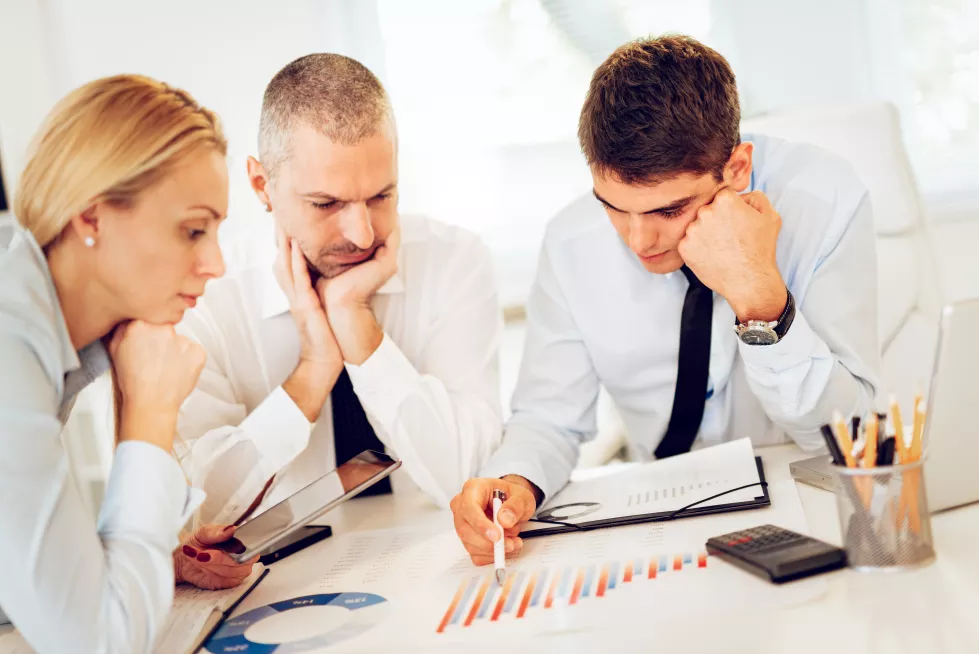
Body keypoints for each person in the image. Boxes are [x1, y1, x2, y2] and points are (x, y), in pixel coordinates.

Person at [450, 35, 881, 565]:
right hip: (658, 521)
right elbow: (549, 417)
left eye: (669, 211)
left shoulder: (825, 201)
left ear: (737, 169)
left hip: (809, 506)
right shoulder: (570, 242)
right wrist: (513, 482)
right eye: (613, 207)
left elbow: (850, 438)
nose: (639, 241)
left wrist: (758, 296)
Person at [175, 53, 503, 525]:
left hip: (439, 550)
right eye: (326, 204)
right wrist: (313, 371)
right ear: (262, 185)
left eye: (381, 196)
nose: (363, 235)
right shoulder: (204, 297)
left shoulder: (454, 261)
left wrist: (357, 328)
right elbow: (195, 514)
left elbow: (474, 482)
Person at [0, 75, 255, 653]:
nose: (215, 263)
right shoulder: (9, 349)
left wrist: (141, 561)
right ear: (92, 218)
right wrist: (150, 413)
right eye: (193, 230)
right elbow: (101, 644)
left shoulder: (45, 340)